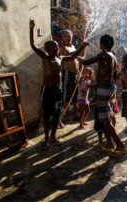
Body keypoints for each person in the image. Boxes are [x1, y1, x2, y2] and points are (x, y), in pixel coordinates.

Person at [29, 19, 89, 149]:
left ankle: (53, 136)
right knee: (46, 115)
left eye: (57, 46)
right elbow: (33, 44)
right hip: (47, 90)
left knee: (56, 113)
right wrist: (31, 28)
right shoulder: (45, 57)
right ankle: (46, 138)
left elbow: (73, 57)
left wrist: (82, 47)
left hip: (57, 90)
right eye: (54, 47)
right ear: (47, 49)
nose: (56, 48)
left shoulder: (60, 58)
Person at [79, 34, 126, 155]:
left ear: (103, 44)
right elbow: (114, 77)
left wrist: (80, 51)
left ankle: (119, 145)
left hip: (104, 90)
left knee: (104, 120)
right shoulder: (113, 56)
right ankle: (110, 143)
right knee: (104, 118)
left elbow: (86, 62)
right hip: (109, 89)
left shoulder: (103, 54)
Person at [60, 29, 82, 123]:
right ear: (62, 38)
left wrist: (79, 73)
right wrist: (82, 48)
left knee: (75, 96)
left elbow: (75, 61)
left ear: (72, 37)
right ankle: (67, 116)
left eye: (69, 36)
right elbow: (72, 56)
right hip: (67, 74)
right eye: (65, 36)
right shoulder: (62, 48)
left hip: (75, 74)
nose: (67, 38)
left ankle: (76, 114)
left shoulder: (73, 46)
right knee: (67, 96)